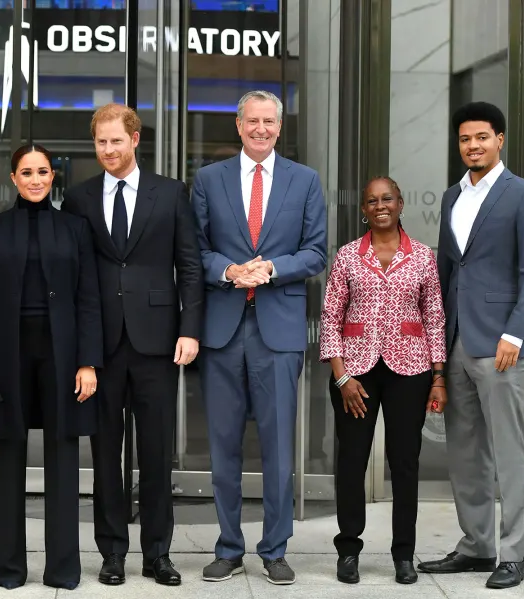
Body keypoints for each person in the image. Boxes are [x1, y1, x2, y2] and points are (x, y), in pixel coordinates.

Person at [61, 103, 204, 587]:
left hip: (158, 342)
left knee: (157, 453)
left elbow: (189, 266)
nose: (107, 150)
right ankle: (112, 552)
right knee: (105, 454)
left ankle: (158, 554)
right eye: (100, 142)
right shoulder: (78, 199)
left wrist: (190, 328)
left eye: (115, 141)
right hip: (100, 345)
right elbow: (77, 275)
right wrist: (80, 349)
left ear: (135, 139)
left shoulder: (170, 193)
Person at [192, 90, 327, 586]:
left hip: (278, 330)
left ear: (280, 126)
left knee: (277, 445)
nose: (261, 129)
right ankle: (228, 547)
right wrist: (229, 270)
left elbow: (316, 253)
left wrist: (271, 268)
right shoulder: (208, 180)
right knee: (223, 444)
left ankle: (275, 548)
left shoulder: (305, 181)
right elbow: (196, 251)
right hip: (224, 329)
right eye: (253, 121)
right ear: (238, 124)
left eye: (270, 121)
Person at [417, 102, 524, 589]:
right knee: (465, 452)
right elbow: (447, 273)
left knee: (509, 452)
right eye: (464, 139)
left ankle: (512, 554)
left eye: (481, 137)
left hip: (500, 345)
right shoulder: (454, 196)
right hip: (456, 342)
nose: (472, 146)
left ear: (500, 139)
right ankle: (476, 546)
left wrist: (515, 334)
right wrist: (437, 343)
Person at [0, 145, 103, 591]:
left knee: (63, 456)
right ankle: (8, 570)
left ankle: (63, 570)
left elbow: (88, 300)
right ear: (13, 178)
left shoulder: (75, 229)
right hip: (7, 355)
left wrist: (88, 362)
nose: (35, 179)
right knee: (9, 457)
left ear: (53, 177)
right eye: (26, 172)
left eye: (43, 171)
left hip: (62, 355)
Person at [319, 176, 447, 586]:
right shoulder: (346, 257)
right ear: (363, 209)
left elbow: (435, 318)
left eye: (387, 198)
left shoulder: (424, 257)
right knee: (352, 461)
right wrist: (342, 378)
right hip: (355, 373)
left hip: (410, 371)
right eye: (371, 200)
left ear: (400, 203)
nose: (380, 206)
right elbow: (330, 317)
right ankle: (349, 550)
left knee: (405, 463)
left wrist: (439, 377)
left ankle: (404, 554)